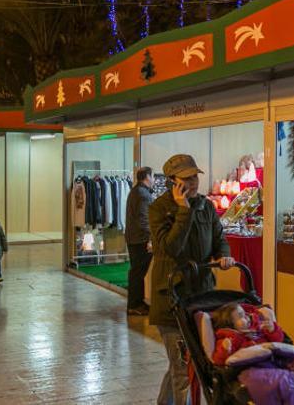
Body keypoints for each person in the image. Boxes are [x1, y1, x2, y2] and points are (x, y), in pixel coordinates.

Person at [149, 154, 235, 405]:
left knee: (190, 361)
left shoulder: (207, 207)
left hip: (202, 296)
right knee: (182, 367)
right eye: (186, 178)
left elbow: (219, 238)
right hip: (171, 299)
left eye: (195, 176)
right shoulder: (159, 209)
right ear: (172, 182)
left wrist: (224, 256)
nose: (193, 183)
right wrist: (183, 211)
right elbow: (170, 248)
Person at [209, 303, 294, 404]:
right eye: (240, 316)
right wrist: (225, 349)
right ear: (230, 323)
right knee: (284, 386)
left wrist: (272, 330)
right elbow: (219, 360)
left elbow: (279, 341)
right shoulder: (228, 339)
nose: (246, 316)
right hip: (253, 368)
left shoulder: (258, 328)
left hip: (279, 360)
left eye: (244, 313)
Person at [125, 166, 154, 316]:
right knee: (138, 272)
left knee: (137, 271)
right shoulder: (143, 194)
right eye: (153, 176)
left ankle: (137, 302)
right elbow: (143, 220)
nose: (154, 180)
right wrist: (152, 236)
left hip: (133, 237)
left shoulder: (136, 191)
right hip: (139, 239)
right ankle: (134, 304)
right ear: (147, 177)